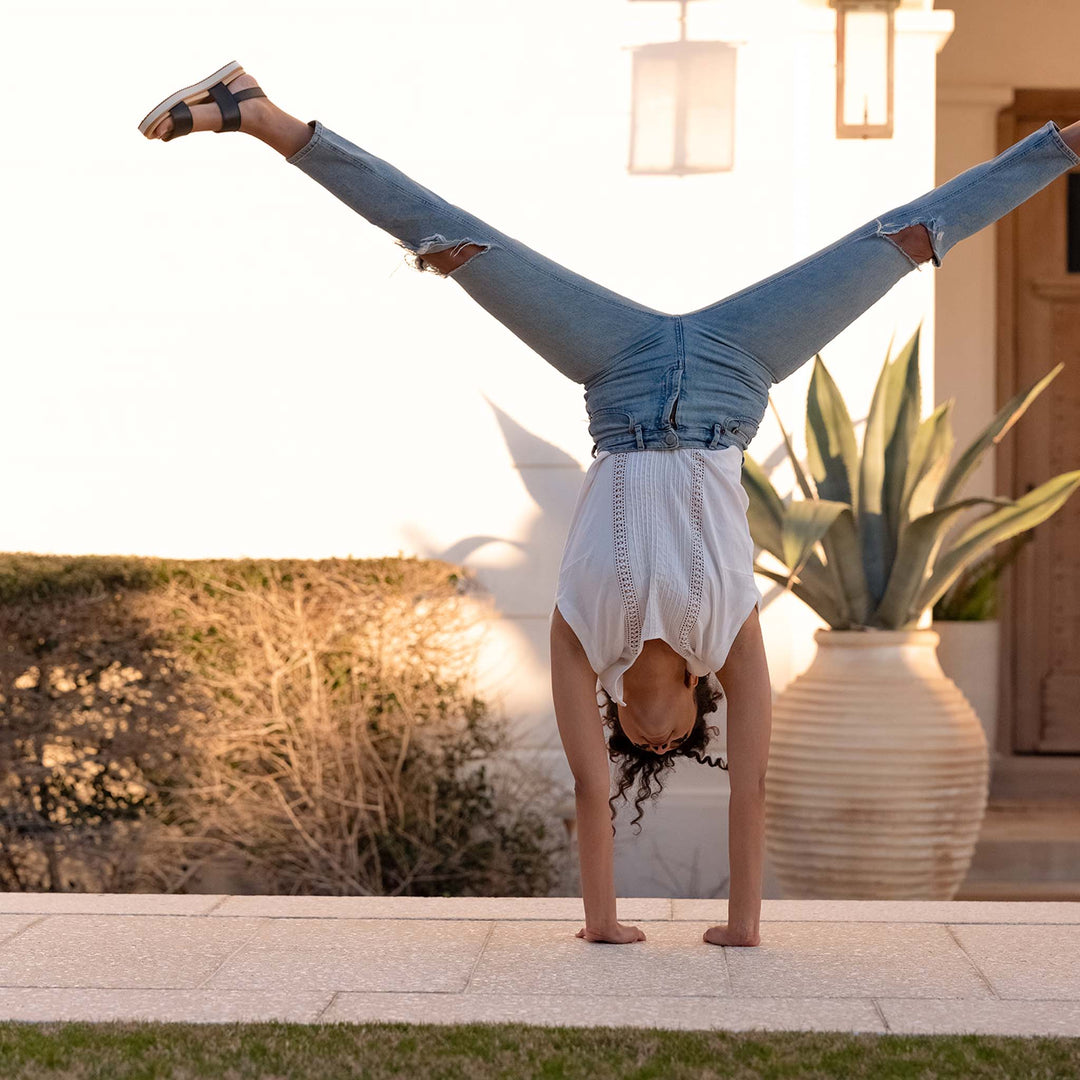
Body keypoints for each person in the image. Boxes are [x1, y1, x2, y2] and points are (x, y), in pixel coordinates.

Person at [140, 61, 1080, 948]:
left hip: (617, 375)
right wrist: (743, 927)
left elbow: (591, 798)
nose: (655, 741)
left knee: (451, 241)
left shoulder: (577, 642)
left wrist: (603, 921)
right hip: (738, 372)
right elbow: (751, 790)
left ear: (618, 719)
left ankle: (256, 111)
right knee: (907, 239)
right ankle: (1066, 146)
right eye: (675, 741)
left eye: (640, 743)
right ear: (698, 707)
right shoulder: (731, 642)